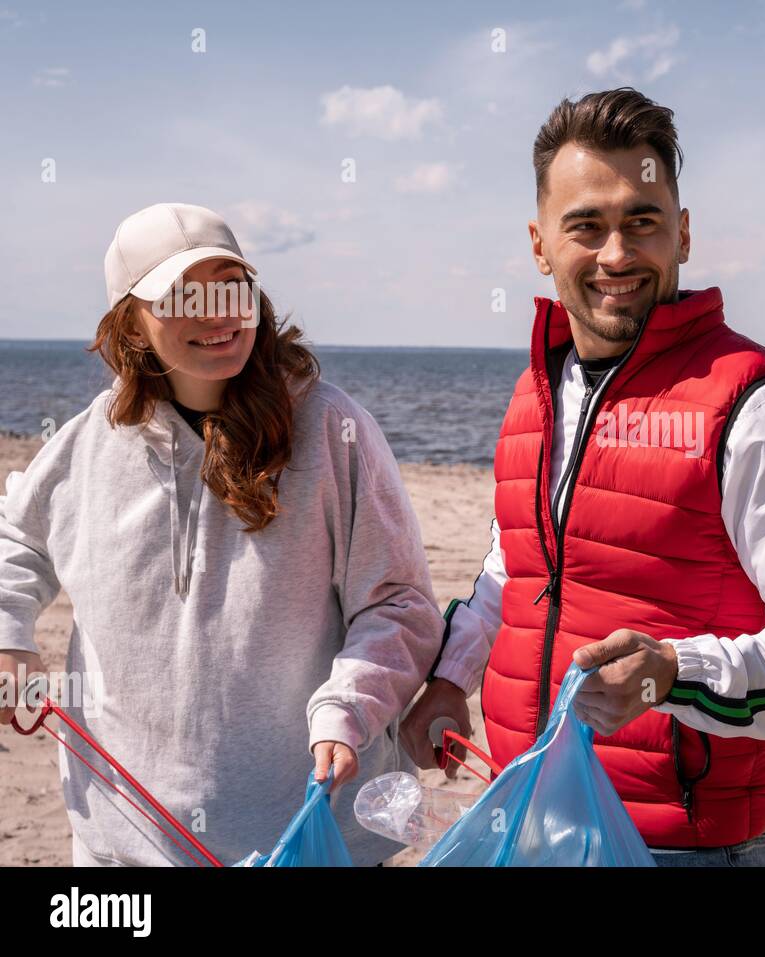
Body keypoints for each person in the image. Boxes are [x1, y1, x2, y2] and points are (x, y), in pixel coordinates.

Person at [401, 88, 765, 866]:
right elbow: (511, 567)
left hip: (676, 847)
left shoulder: (755, 405)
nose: (617, 254)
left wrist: (675, 675)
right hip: (524, 819)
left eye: (642, 221)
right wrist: (451, 677)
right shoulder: (534, 395)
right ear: (540, 244)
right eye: (586, 226)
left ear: (683, 233)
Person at [0, 203, 442, 866]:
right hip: (119, 841)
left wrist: (346, 709)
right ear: (131, 322)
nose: (216, 313)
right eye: (181, 296)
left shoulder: (332, 428)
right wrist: (9, 637)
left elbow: (398, 603)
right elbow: (17, 538)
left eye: (231, 287)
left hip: (311, 833)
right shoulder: (87, 441)